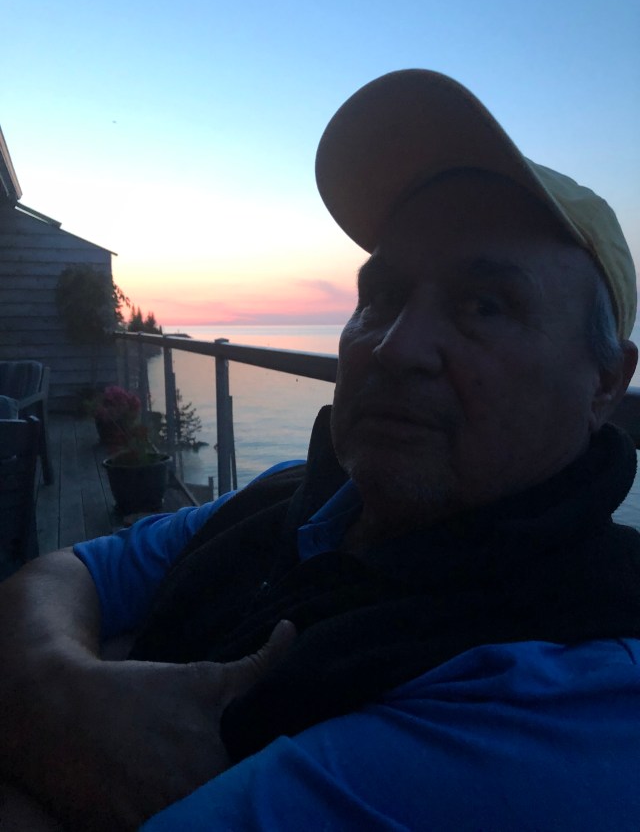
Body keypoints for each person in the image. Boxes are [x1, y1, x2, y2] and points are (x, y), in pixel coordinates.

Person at [1, 69, 639, 831]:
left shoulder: (563, 683)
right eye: (382, 295)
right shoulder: (302, 493)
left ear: (606, 382)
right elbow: (67, 570)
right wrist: (54, 683)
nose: (396, 347)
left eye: (485, 305)